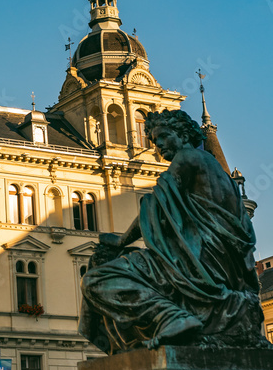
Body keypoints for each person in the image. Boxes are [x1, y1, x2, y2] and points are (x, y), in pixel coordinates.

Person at [80, 108, 264, 353]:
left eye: (164, 136)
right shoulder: (214, 168)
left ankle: (170, 316)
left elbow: (157, 205)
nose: (158, 145)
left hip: (200, 261)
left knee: (97, 278)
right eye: (155, 141)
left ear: (183, 135)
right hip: (216, 261)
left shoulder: (188, 157)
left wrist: (122, 240)